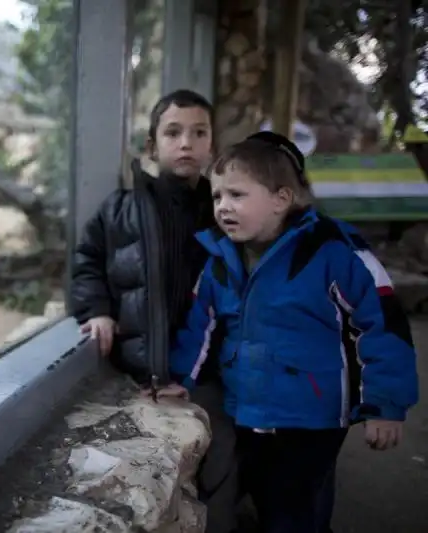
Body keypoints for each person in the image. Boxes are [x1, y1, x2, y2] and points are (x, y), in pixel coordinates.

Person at [160, 131, 420, 533]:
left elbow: (382, 325)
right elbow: (201, 324)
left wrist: (385, 405)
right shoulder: (219, 259)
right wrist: (180, 378)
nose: (223, 208)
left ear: (282, 199)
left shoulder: (334, 250)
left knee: (298, 513)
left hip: (312, 420)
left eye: (237, 195)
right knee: (264, 501)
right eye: (217, 197)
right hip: (247, 410)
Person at [70, 89, 239, 533]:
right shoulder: (120, 209)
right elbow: (87, 262)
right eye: (173, 132)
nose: (186, 143)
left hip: (210, 372)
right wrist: (98, 310)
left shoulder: (223, 210)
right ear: (152, 146)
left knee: (223, 461)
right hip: (142, 370)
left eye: (199, 133)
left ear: (211, 145)